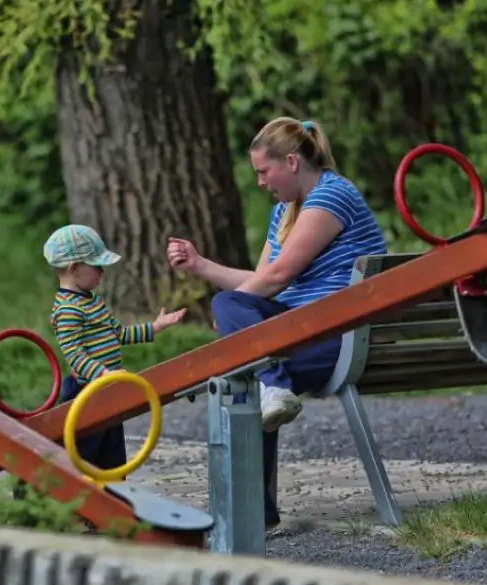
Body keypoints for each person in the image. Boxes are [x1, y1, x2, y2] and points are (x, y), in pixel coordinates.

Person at [167, 117, 387, 528]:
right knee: (238, 334)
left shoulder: (331, 197)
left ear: (290, 162)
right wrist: (201, 266)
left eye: (263, 172)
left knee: (244, 369)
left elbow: (277, 277)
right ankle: (274, 384)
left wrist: (233, 318)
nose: (260, 182)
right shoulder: (285, 213)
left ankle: (254, 512)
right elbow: (259, 285)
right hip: (305, 330)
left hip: (338, 335)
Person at [44, 224, 187, 472]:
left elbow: (117, 333)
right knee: (86, 460)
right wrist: (102, 374)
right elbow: (75, 355)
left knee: (112, 459)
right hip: (86, 394)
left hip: (107, 389)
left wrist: (155, 327)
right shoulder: (67, 310)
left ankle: (113, 500)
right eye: (97, 266)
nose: (102, 272)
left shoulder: (92, 301)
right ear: (74, 268)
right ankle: (84, 505)